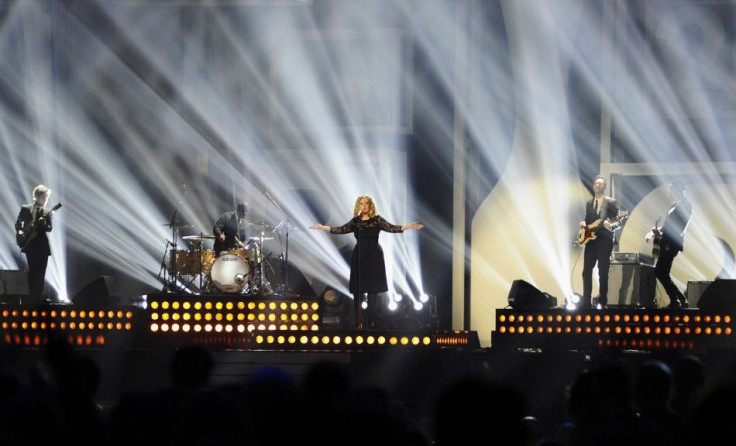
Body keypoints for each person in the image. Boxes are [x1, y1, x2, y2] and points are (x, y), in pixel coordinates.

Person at [310, 195, 423, 329]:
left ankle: (370, 323)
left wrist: (410, 226)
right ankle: (358, 323)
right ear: (359, 206)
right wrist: (322, 227)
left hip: (375, 256)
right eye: (361, 203)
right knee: (358, 291)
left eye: (366, 204)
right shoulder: (356, 221)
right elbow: (340, 229)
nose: (364, 206)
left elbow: (392, 228)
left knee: (372, 291)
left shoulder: (377, 220)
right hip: (359, 255)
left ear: (370, 206)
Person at [645, 181, 692, 309]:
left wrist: (660, 234)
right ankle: (680, 300)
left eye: (671, 189)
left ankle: (676, 300)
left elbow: (679, 228)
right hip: (666, 242)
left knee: (660, 271)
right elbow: (666, 227)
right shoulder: (673, 205)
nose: (669, 192)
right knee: (662, 272)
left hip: (672, 244)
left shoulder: (686, 205)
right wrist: (653, 232)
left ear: (678, 190)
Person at [578, 176, 623, 309]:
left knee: (602, 271)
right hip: (591, 241)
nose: (597, 185)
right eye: (596, 183)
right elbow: (588, 220)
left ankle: (602, 301)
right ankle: (586, 302)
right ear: (593, 186)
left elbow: (620, 220)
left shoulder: (611, 202)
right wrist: (583, 224)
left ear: (605, 187)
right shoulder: (589, 203)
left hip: (605, 241)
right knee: (586, 271)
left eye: (600, 184)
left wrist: (612, 225)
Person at [15, 184, 53, 301]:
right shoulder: (26, 208)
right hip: (30, 244)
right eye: (43, 197)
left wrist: (44, 224)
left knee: (41, 272)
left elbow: (50, 228)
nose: (45, 199)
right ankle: (30, 297)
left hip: (42, 246)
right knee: (33, 270)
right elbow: (18, 223)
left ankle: (37, 297)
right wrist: (20, 232)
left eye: (46, 197)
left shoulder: (47, 211)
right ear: (36, 196)